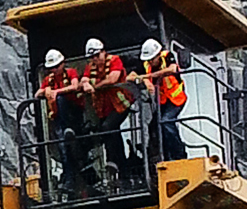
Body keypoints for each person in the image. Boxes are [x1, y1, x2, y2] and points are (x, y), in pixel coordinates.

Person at [73, 36, 131, 194]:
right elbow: (83, 80)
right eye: (92, 57)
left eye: (97, 56)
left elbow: (112, 78)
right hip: (104, 109)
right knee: (113, 134)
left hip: (120, 105)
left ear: (103, 52)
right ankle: (123, 172)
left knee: (107, 128)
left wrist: (94, 86)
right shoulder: (90, 67)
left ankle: (113, 162)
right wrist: (85, 84)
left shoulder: (115, 61)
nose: (95, 59)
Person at [35, 49, 81, 194]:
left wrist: (57, 92)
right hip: (58, 119)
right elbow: (37, 94)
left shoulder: (71, 73)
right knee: (63, 147)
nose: (54, 70)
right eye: (52, 68)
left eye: (56, 66)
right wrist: (46, 91)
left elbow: (75, 86)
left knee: (61, 100)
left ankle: (69, 129)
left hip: (74, 114)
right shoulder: (49, 80)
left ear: (62, 64)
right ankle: (69, 179)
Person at [140, 38, 189, 162]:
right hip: (163, 101)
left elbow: (172, 69)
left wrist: (149, 76)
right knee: (153, 126)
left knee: (166, 122)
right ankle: (161, 156)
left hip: (176, 99)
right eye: (148, 60)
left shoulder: (167, 56)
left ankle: (179, 154)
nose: (150, 62)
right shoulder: (146, 64)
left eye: (152, 59)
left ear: (158, 54)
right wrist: (146, 81)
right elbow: (133, 76)